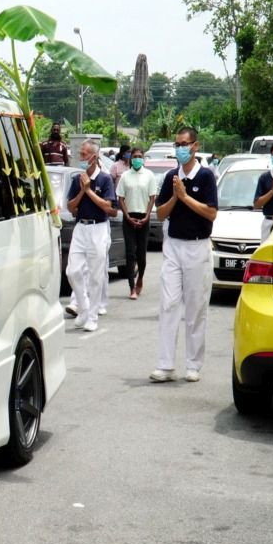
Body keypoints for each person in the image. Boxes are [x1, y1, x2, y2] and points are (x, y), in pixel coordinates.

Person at [151, 126, 217, 383]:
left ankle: (193, 364)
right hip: (173, 246)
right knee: (168, 304)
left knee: (195, 307)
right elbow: (160, 213)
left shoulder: (206, 177)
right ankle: (165, 364)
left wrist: (185, 196)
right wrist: (176, 197)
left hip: (197, 248)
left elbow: (211, 213)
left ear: (195, 146)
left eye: (184, 144)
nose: (180, 148)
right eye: (177, 144)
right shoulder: (170, 177)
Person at [65, 139, 117, 332]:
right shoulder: (76, 179)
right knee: (73, 271)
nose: (81, 157)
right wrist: (81, 191)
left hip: (98, 229)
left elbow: (108, 207)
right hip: (81, 227)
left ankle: (92, 316)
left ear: (94, 157)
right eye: (81, 154)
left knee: (96, 276)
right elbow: (71, 207)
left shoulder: (105, 179)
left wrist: (88, 190)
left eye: (85, 154)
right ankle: (84, 308)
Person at [117, 147, 157, 299]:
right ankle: (132, 287)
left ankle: (140, 278)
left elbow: (152, 197)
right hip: (129, 217)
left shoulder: (149, 175)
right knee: (130, 253)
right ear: (130, 158)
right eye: (135, 156)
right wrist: (127, 216)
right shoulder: (125, 176)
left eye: (140, 156)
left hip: (143, 217)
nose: (137, 159)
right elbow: (120, 197)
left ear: (143, 158)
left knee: (141, 254)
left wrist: (147, 216)